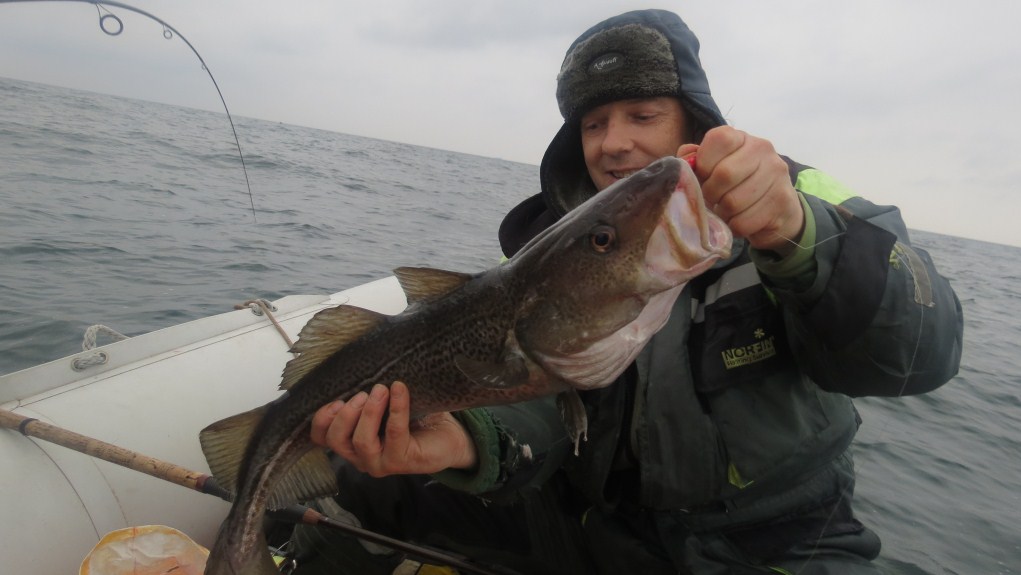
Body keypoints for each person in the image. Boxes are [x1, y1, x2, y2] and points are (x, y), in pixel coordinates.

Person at [286, 9, 963, 575]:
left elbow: (923, 353)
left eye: (642, 114)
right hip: (585, 523)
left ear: (691, 120)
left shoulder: (799, 197)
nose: (613, 143)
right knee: (366, 489)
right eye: (592, 124)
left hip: (768, 541)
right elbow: (533, 390)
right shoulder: (545, 247)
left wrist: (796, 233)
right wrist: (469, 441)